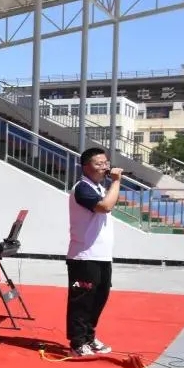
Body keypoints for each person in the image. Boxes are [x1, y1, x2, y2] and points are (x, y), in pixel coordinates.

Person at [67, 147, 121, 356]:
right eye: (99, 164)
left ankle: (89, 336)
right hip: (84, 255)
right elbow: (105, 207)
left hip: (102, 255)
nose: (104, 167)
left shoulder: (99, 188)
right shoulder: (82, 188)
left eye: (106, 163)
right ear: (86, 167)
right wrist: (116, 181)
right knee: (82, 300)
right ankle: (77, 342)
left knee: (99, 298)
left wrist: (113, 184)